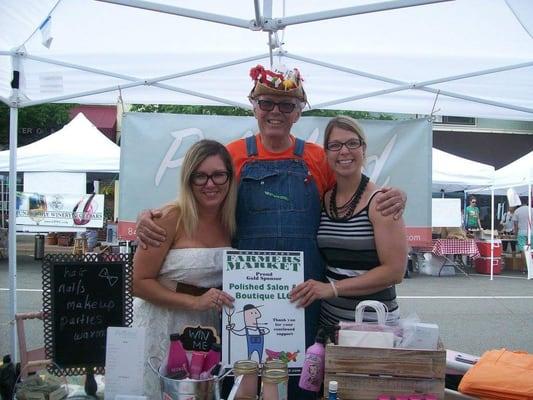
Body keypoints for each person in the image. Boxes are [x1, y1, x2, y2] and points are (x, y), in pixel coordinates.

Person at [136, 65, 406, 398]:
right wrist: (150, 214)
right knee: (242, 380)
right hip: (243, 296)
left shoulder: (318, 158)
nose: (275, 112)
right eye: (266, 103)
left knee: (298, 383)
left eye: (287, 105)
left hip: (304, 296)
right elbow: (199, 191)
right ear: (253, 105)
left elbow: (355, 190)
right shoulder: (233, 155)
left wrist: (394, 194)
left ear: (298, 112)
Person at [132, 139, 236, 398]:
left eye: (218, 175)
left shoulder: (233, 223)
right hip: (163, 325)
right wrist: (193, 302)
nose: (210, 184)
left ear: (230, 178)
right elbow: (137, 281)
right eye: (200, 176)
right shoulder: (169, 218)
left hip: (207, 327)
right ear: (188, 180)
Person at [289, 116, 407, 325]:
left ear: (364, 149)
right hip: (330, 324)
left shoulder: (381, 202)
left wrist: (332, 288)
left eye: (352, 143)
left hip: (373, 327)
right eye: (335, 145)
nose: (344, 151)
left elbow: (395, 271)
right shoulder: (325, 198)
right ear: (325, 153)